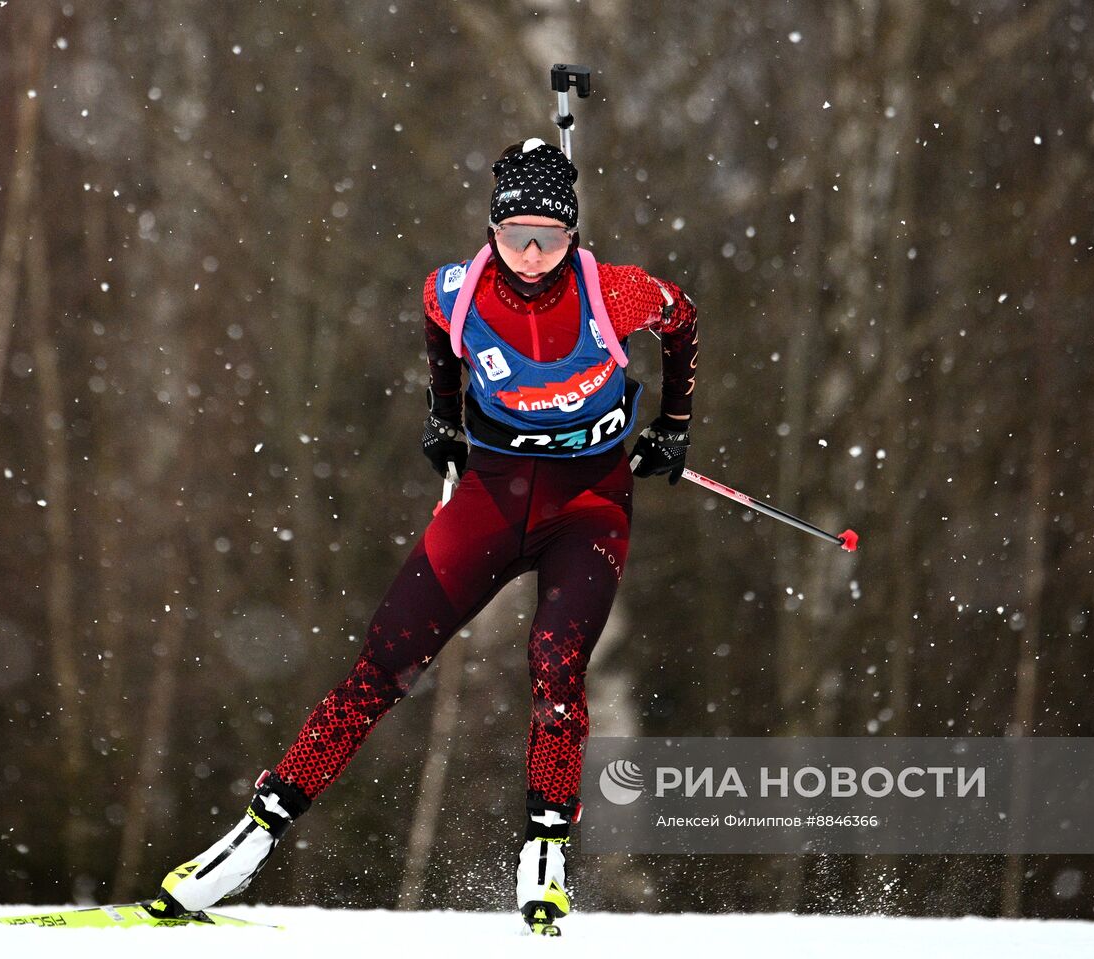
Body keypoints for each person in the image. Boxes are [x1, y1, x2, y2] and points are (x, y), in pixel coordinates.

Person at [145, 137, 699, 936]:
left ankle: (546, 850)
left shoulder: (615, 293)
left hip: (588, 501)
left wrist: (673, 426)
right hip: (493, 494)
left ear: (572, 235)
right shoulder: (453, 291)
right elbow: (439, 339)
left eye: (548, 237)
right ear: (492, 231)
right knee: (384, 660)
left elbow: (682, 318)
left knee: (556, 663)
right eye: (516, 236)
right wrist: (444, 417)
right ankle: (257, 831)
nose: (532, 255)